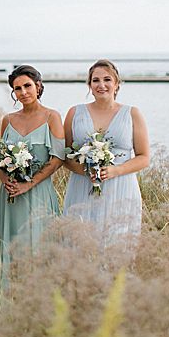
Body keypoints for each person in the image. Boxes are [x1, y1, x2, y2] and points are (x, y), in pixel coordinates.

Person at [62, 59, 148, 254]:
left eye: (107, 79)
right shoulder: (74, 113)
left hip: (122, 188)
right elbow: (65, 156)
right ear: (89, 85)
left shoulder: (132, 113)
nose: (101, 85)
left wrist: (115, 170)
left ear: (117, 84)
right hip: (82, 188)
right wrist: (86, 170)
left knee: (117, 247)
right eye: (95, 80)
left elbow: (144, 157)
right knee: (80, 245)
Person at [0, 65, 65, 281]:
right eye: (17, 88)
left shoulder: (52, 116)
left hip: (39, 194)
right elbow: (0, 159)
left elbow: (58, 158)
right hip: (10, 197)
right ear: (13, 92)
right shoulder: (8, 120)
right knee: (10, 248)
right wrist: (7, 180)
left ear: (38, 86)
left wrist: (28, 184)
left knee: (39, 247)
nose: (23, 92)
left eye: (27, 86)